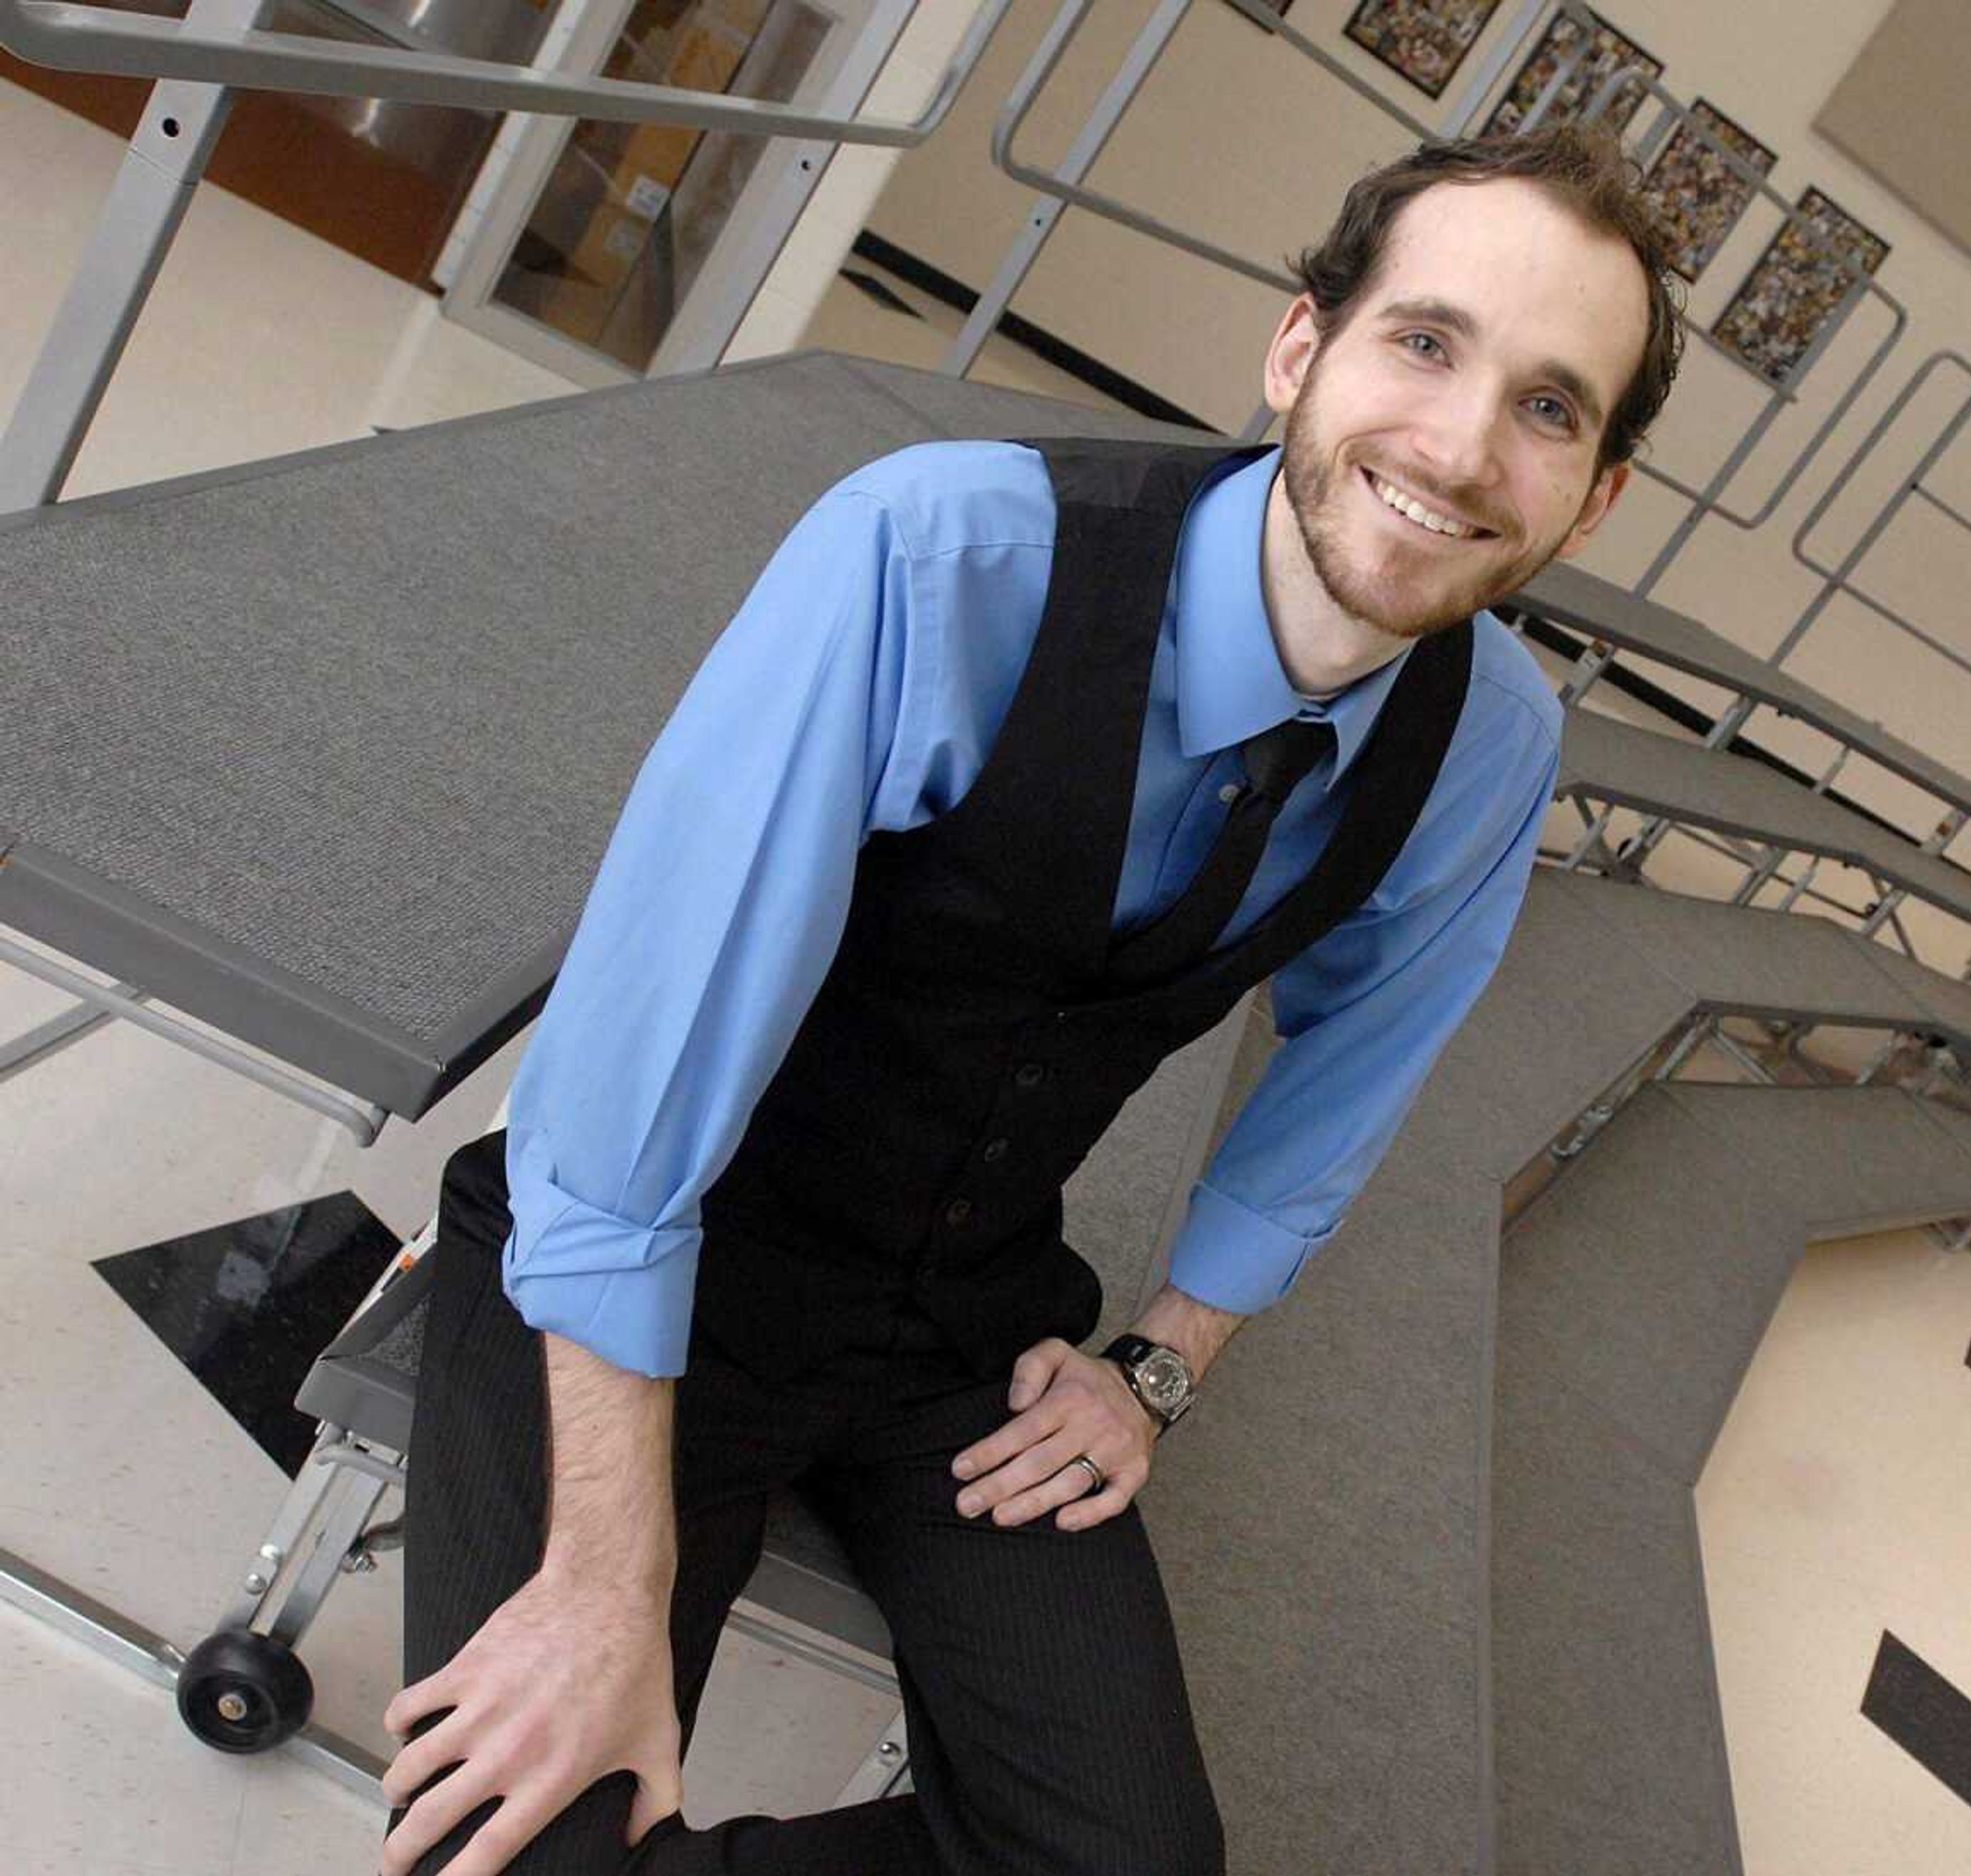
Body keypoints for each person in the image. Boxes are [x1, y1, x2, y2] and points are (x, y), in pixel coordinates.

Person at [376, 123, 1685, 1876]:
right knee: (511, 1850)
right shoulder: (945, 556)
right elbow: (622, 1108)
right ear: (1302, 348)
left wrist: (1160, 1362)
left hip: (970, 1336)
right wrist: (606, 1590)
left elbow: (1357, 1069)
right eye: (1425, 343)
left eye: (1548, 406)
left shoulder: (1491, 739)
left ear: (1590, 498)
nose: (1460, 447)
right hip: (659, 1269)